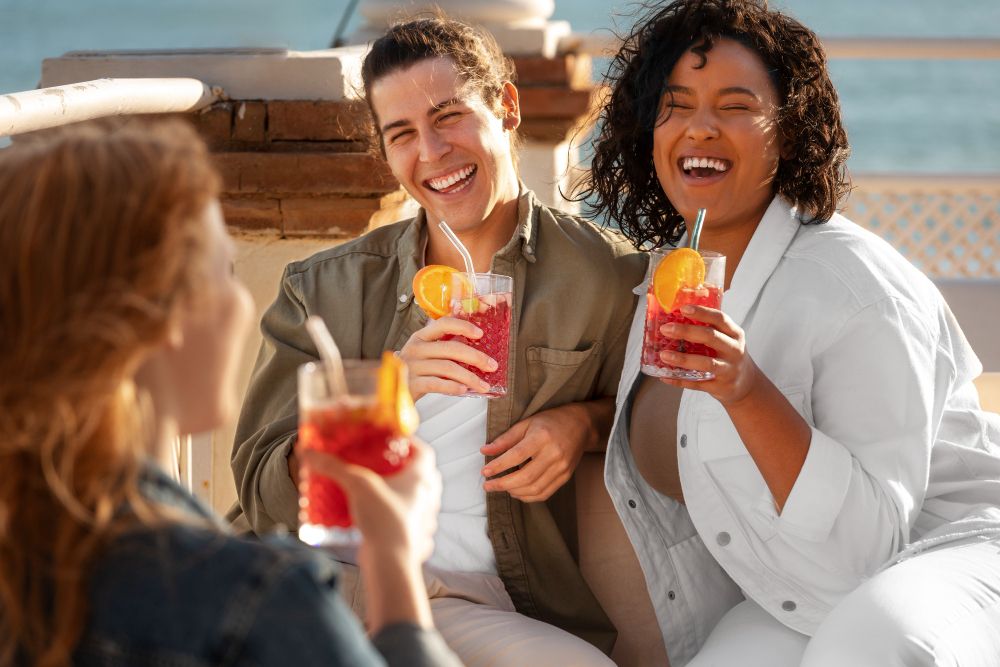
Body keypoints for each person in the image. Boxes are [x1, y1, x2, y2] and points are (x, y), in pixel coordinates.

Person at [579, 0, 1000, 665]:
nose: (701, 127)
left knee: (865, 646)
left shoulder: (854, 289)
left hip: (951, 552)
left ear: (789, 130)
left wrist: (746, 389)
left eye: (737, 105)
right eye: (677, 104)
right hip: (799, 586)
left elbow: (870, 548)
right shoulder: (667, 280)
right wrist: (580, 424)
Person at [229, 14, 647, 665]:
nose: (431, 152)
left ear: (506, 107)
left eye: (448, 117)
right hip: (324, 578)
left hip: (466, 597)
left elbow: (656, 417)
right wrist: (387, 388)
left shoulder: (605, 276)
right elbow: (263, 491)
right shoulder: (322, 290)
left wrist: (582, 426)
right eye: (402, 134)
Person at [0, 118, 460, 667]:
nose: (242, 306)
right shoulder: (259, 601)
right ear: (158, 318)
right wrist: (394, 560)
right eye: (225, 272)